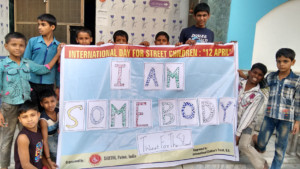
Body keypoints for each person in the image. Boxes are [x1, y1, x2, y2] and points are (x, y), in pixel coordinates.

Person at [0, 32, 60, 169]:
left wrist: (57, 55)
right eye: (14, 45)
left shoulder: (28, 63)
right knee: (6, 139)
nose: (17, 48)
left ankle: (30, 165)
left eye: (21, 45)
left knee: (30, 138)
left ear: (25, 47)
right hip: (8, 107)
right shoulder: (2, 65)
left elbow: (45, 69)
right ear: (6, 46)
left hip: (26, 108)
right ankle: (4, 166)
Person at [253, 48, 300, 169]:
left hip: (286, 119)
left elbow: (298, 102)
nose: (281, 64)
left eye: (285, 61)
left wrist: (297, 121)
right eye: (278, 61)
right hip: (269, 116)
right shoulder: (271, 77)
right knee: (261, 143)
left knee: (280, 147)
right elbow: (259, 86)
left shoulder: (296, 80)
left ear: (293, 62)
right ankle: (259, 144)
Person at [23, 13, 61, 111]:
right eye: (38, 24)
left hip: (48, 85)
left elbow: (58, 69)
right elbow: (25, 61)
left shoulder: (58, 46)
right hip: (32, 83)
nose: (39, 27)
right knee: (33, 110)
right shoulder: (33, 41)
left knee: (46, 112)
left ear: (52, 27)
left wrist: (58, 86)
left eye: (43, 25)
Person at [236, 63, 269, 169]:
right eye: (254, 72)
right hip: (232, 121)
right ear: (249, 72)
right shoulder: (239, 84)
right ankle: (254, 138)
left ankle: (262, 164)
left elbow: (248, 116)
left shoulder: (258, 96)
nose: (256, 76)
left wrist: (238, 133)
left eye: (260, 75)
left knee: (243, 145)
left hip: (247, 124)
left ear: (262, 78)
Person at [14, 101, 43, 169]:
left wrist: (49, 164)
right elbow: (26, 165)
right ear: (20, 119)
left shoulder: (39, 131)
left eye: (32, 115)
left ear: (38, 115)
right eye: (24, 117)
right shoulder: (23, 137)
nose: (29, 119)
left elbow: (39, 155)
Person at [39, 89, 59, 169]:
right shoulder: (43, 120)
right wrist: (48, 159)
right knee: (55, 153)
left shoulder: (59, 111)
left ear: (57, 100)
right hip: (50, 139)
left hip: (58, 135)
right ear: (41, 104)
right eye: (46, 102)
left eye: (52, 101)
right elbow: (45, 140)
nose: (50, 105)